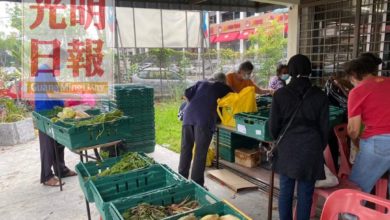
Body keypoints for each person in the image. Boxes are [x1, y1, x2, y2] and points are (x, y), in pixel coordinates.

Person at [269, 54, 329, 220]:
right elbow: (325, 129)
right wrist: (317, 147)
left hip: (287, 147)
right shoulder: (320, 95)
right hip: (311, 148)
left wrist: (279, 140)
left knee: (285, 191)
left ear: (290, 71)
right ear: (310, 71)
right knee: (306, 194)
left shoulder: (280, 94)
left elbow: (273, 127)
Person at [343, 53, 390, 194]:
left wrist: (356, 143)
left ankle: (349, 215)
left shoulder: (357, 92)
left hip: (378, 144)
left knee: (355, 190)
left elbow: (353, 130)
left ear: (354, 74)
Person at [178, 72, 232, 187]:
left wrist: (195, 107)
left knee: (186, 149)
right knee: (200, 154)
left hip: (188, 117)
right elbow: (233, 99)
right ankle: (196, 185)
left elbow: (186, 94)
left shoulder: (201, 82)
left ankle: (181, 181)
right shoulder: (222, 87)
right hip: (203, 121)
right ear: (223, 81)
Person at [35, 48, 76, 187]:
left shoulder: (49, 71)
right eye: (63, 62)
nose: (62, 65)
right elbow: (51, 94)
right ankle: (47, 176)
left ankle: (61, 170)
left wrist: (64, 102)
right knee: (48, 145)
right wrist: (73, 96)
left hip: (54, 111)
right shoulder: (43, 71)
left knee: (58, 143)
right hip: (45, 113)